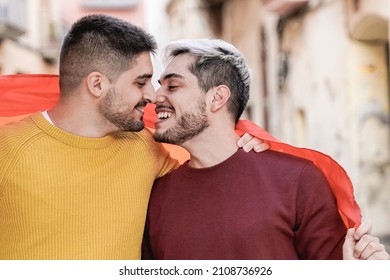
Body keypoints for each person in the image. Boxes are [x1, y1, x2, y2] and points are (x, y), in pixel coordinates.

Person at [0, 15, 265, 260]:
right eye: (141, 82)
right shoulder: (6, 149)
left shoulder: (145, 148)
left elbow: (207, 173)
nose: (152, 96)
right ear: (97, 84)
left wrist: (244, 149)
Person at [142, 38, 389, 260]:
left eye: (172, 86)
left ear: (217, 98)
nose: (155, 97)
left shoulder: (298, 180)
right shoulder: (156, 194)